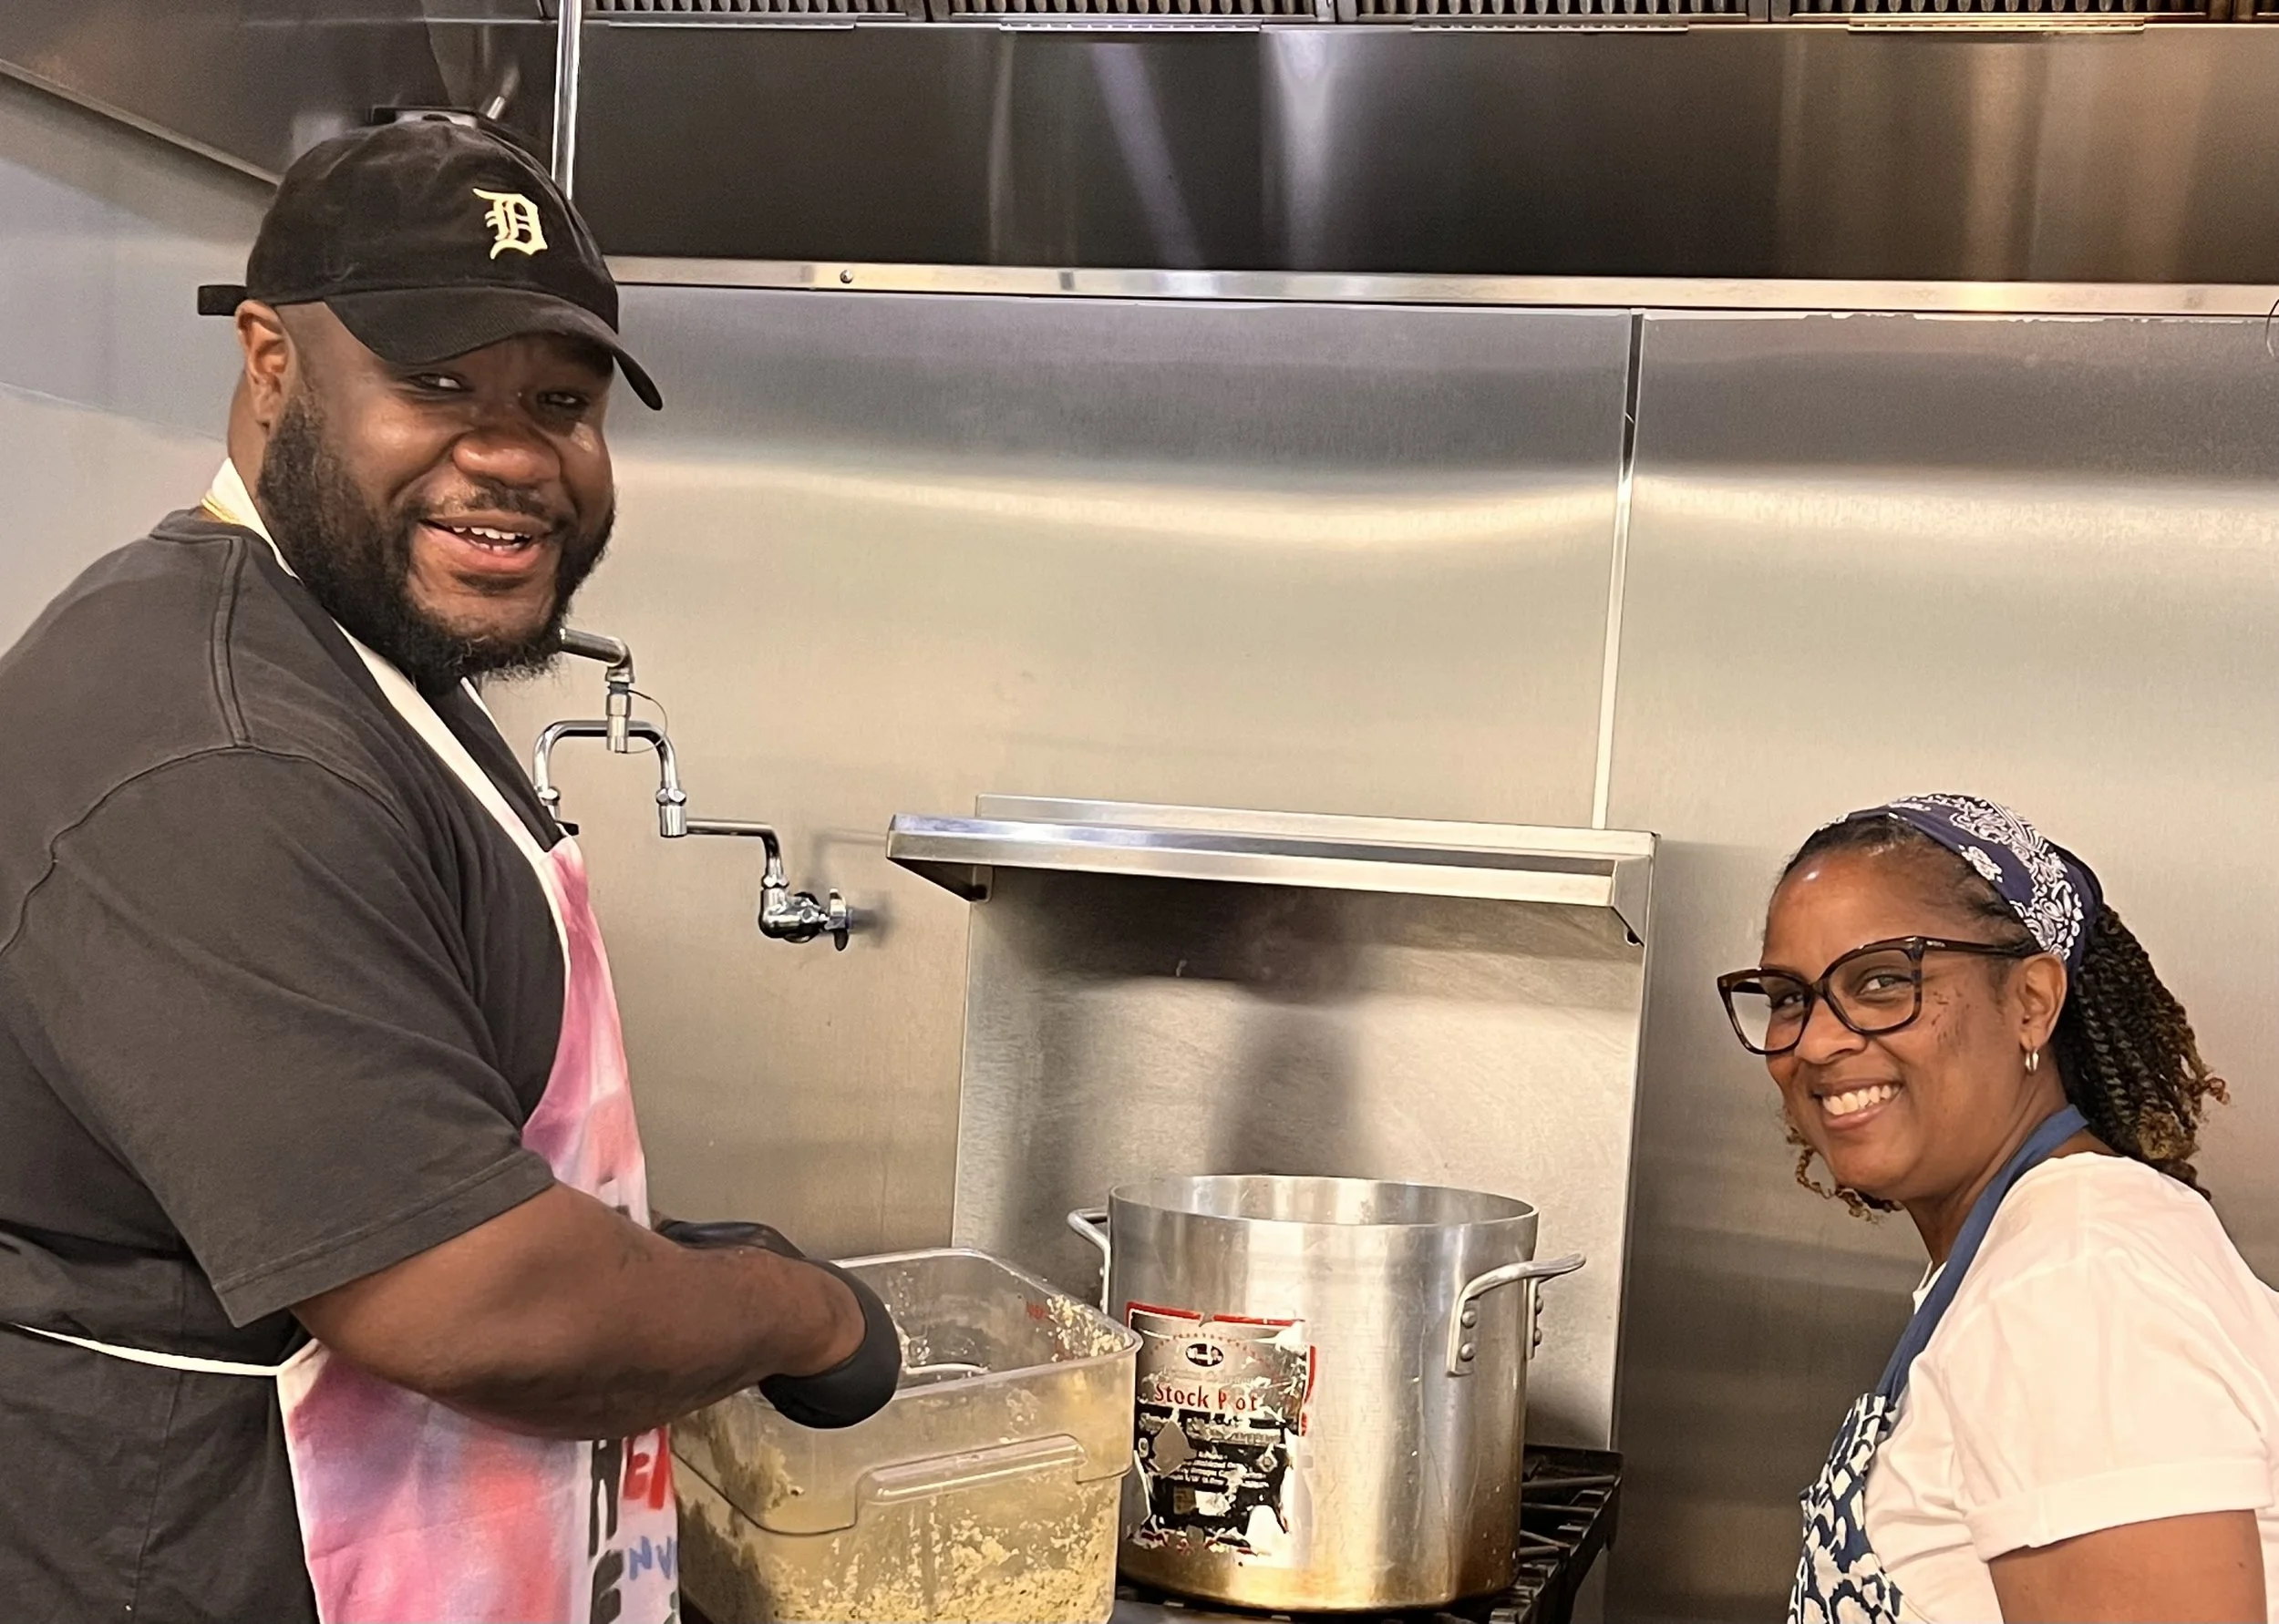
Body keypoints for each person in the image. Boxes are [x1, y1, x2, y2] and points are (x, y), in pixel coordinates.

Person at [0, 120, 899, 1624]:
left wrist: (662, 1266)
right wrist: (791, 1313)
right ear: (272, 360)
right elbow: (474, 1300)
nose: (511, 454)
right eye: (436, 386)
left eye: (560, 401)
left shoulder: (353, 660)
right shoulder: (218, 740)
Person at [1717, 794, 2277, 1623]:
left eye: (1881, 981)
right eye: (1790, 996)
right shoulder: (2041, 1249)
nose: (1817, 1041)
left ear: (2031, 1003)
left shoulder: (2072, 1289)